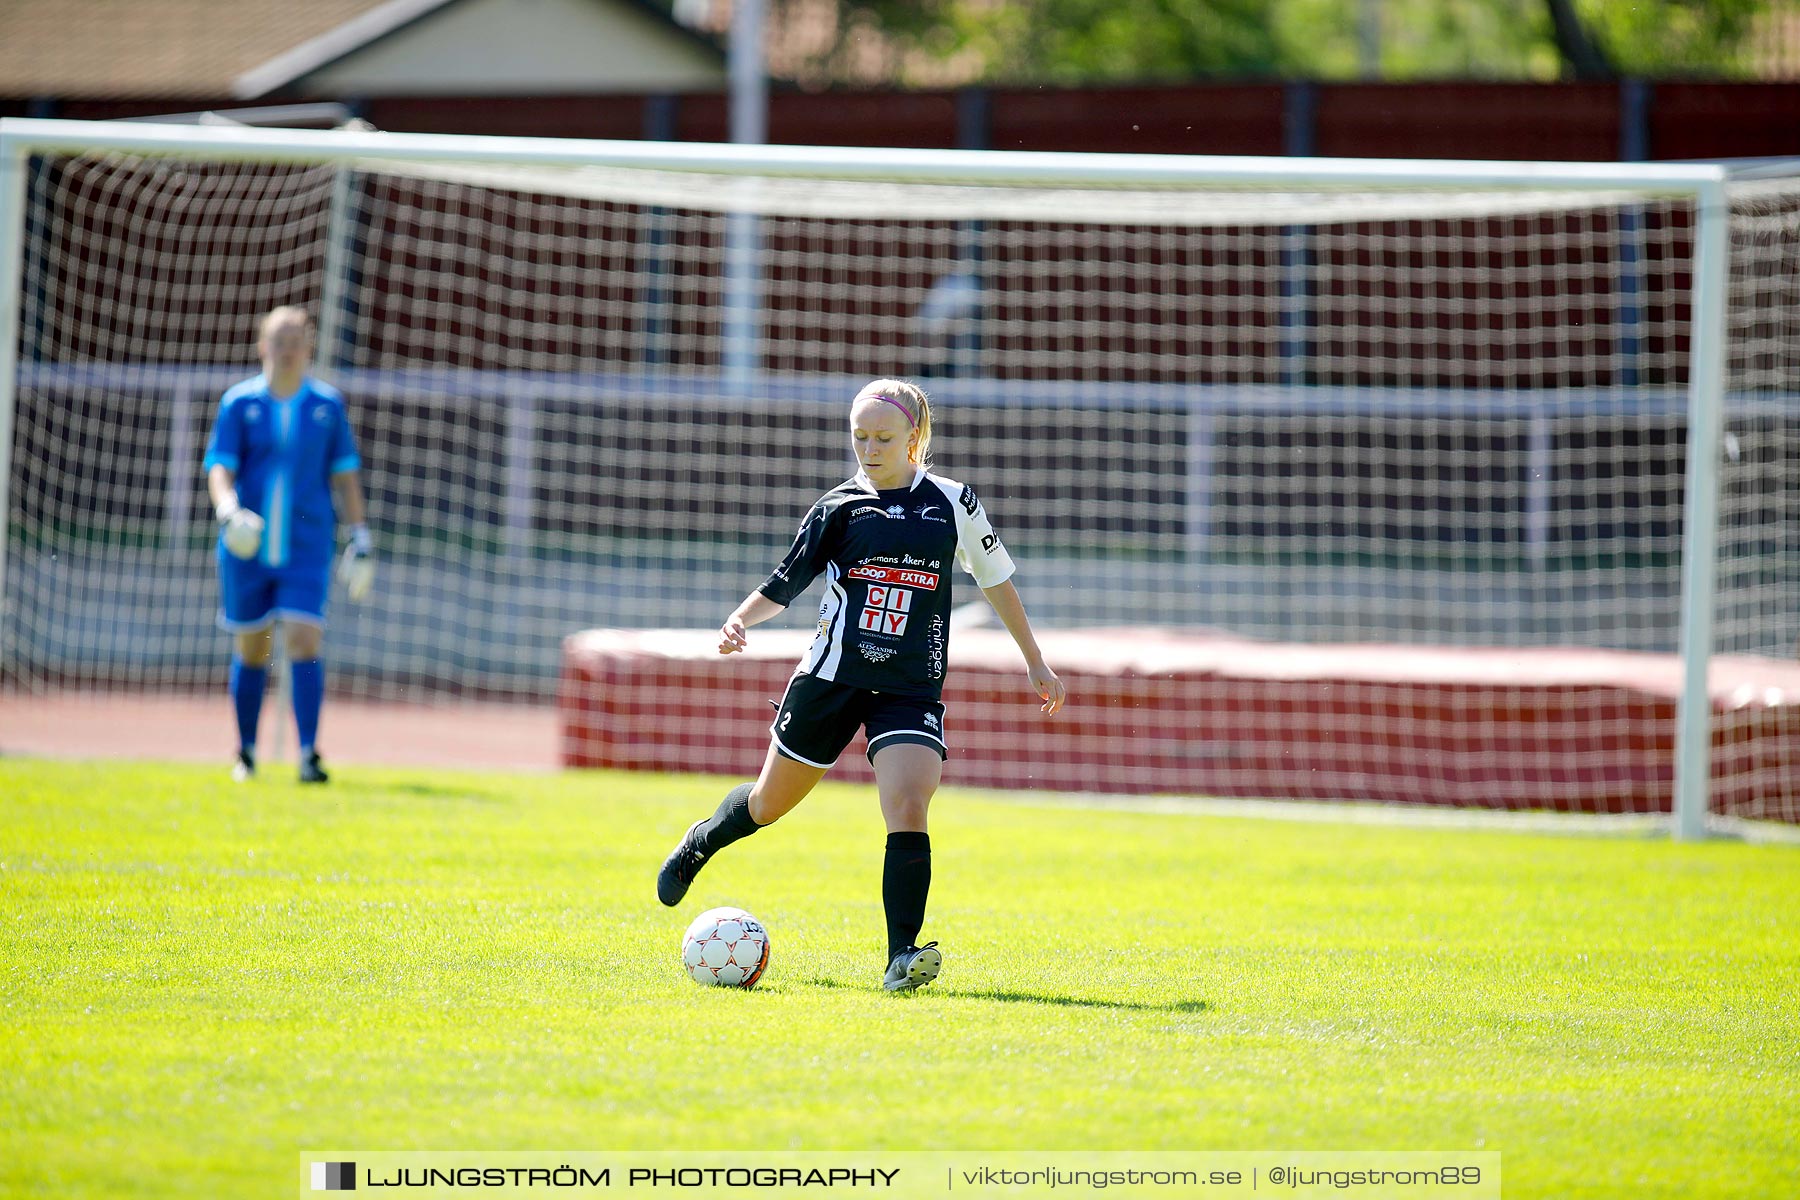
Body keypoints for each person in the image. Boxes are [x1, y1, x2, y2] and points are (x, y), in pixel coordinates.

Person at [656, 378, 1066, 992]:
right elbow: (786, 582)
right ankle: (703, 840)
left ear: (915, 438)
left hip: (909, 686)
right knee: (768, 806)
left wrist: (1034, 659)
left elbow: (997, 579)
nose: (869, 448)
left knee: (909, 803)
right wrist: (740, 619)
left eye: (884, 437)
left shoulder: (954, 502)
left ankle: (901, 958)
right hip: (831, 679)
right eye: (859, 437)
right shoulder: (839, 508)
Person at [202, 306, 374, 784]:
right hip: (247, 547)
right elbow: (220, 466)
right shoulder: (239, 404)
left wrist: (361, 537)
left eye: (296, 340)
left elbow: (344, 476)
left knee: (303, 637)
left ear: (308, 348)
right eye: (280, 340)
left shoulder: (327, 405)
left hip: (305, 545)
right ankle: (247, 753)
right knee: (253, 647)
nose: (288, 349)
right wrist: (228, 511)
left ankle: (307, 755)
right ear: (263, 347)